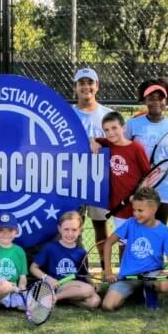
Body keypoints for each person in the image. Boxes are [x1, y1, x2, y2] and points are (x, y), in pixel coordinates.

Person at [101, 187, 168, 312]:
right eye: (134, 210)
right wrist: (109, 272)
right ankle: (137, 291)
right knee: (108, 306)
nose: (135, 214)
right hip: (128, 276)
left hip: (151, 275)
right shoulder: (130, 223)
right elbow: (108, 243)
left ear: (153, 209)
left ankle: (149, 290)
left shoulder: (164, 231)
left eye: (140, 210)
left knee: (165, 286)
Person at [126, 77, 168, 224]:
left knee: (159, 231)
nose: (156, 101)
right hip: (138, 187)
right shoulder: (132, 124)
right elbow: (124, 153)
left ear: (166, 101)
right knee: (138, 230)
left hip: (164, 188)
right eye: (151, 98)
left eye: (160, 98)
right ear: (144, 100)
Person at [71, 67, 113, 255]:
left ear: (97, 86)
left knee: (101, 227)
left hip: (99, 179)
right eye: (82, 83)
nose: (86, 87)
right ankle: (76, 268)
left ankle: (105, 270)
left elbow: (117, 144)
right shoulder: (67, 113)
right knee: (72, 226)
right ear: (76, 87)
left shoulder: (108, 115)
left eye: (90, 83)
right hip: (72, 179)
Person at [91, 111, 150, 230]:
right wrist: (92, 142)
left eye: (114, 128)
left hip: (136, 206)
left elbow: (147, 175)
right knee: (122, 243)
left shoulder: (136, 148)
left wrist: (138, 196)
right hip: (119, 206)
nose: (111, 133)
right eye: (106, 130)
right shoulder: (108, 144)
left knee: (137, 241)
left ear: (123, 128)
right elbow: (92, 138)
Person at [29, 211, 101, 309]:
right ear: (59, 229)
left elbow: (84, 273)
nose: (70, 233)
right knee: (88, 289)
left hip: (76, 286)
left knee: (95, 301)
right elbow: (33, 268)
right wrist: (47, 278)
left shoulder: (82, 252)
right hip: (59, 285)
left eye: (74, 230)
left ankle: (63, 298)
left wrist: (93, 283)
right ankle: (54, 297)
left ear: (80, 231)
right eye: (66, 229)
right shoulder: (50, 248)